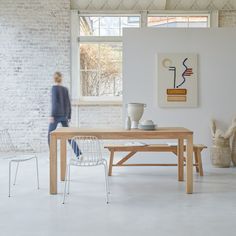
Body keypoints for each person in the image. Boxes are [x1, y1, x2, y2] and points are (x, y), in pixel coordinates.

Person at [48, 72, 81, 158]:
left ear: (54, 79)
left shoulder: (54, 88)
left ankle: (52, 155)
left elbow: (54, 103)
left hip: (55, 116)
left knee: (50, 135)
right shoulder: (65, 89)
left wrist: (52, 115)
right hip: (64, 116)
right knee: (69, 135)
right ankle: (79, 154)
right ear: (61, 79)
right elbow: (68, 104)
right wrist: (69, 116)